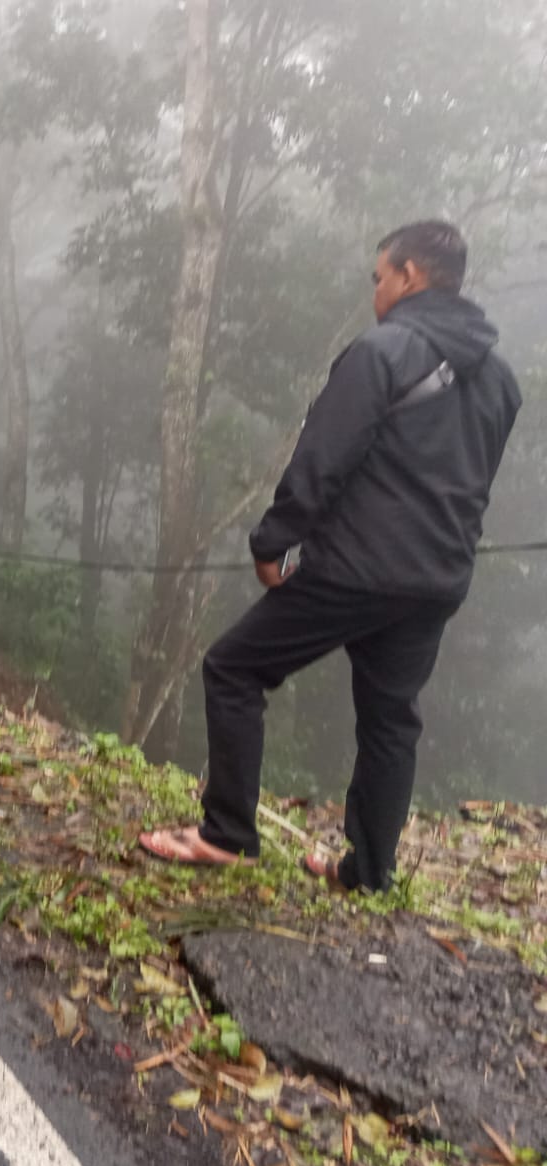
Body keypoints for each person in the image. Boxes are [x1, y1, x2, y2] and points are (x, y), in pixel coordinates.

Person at [140, 220, 522, 892]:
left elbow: (323, 456)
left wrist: (275, 544)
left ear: (409, 276)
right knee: (391, 719)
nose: (375, 292)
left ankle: (226, 835)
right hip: (436, 578)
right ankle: (369, 871)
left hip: (356, 568)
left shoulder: (382, 352)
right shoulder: (500, 380)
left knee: (234, 669)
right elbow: (474, 479)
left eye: (379, 278)